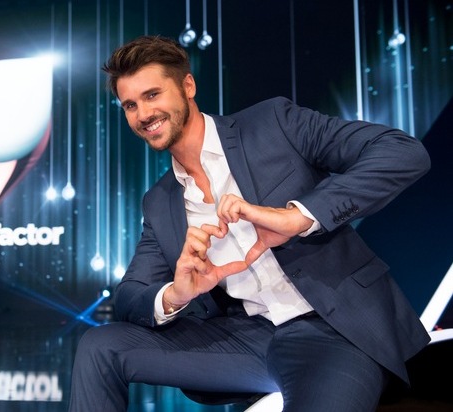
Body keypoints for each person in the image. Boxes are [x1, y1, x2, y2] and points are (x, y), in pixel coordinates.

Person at [69, 35, 431, 412]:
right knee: (101, 346)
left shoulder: (272, 123)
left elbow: (401, 152)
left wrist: (299, 216)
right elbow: (131, 295)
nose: (143, 114)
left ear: (187, 86)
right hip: (242, 340)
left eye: (152, 95)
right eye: (130, 105)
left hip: (331, 328)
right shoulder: (159, 201)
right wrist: (177, 293)